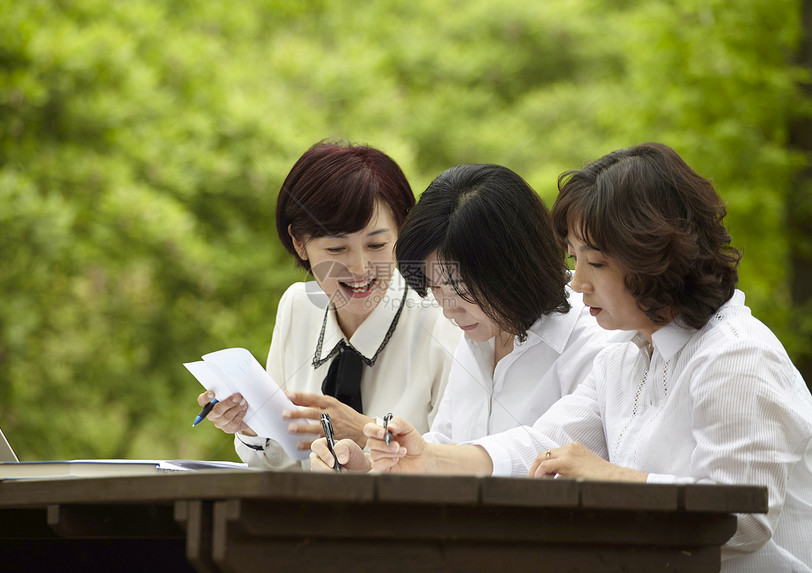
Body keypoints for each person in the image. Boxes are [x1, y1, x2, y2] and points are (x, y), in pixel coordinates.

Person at [314, 143, 812, 571]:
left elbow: (746, 520)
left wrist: (615, 481)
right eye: (575, 259)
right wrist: (426, 458)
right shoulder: (630, 358)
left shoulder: (736, 357)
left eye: (596, 262)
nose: (577, 283)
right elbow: (546, 442)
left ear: (656, 258)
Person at [310, 163, 619, 467]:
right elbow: (445, 443)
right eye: (435, 288)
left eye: (459, 288)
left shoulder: (597, 339)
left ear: (512, 265)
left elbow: (548, 454)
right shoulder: (481, 332)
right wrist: (366, 465)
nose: (448, 309)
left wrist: (430, 457)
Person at [197, 140, 460, 470]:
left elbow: (459, 461)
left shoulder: (443, 316)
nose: (361, 268)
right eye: (337, 249)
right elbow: (285, 463)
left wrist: (365, 432)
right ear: (299, 242)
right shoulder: (297, 307)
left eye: (377, 244)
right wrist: (250, 426)